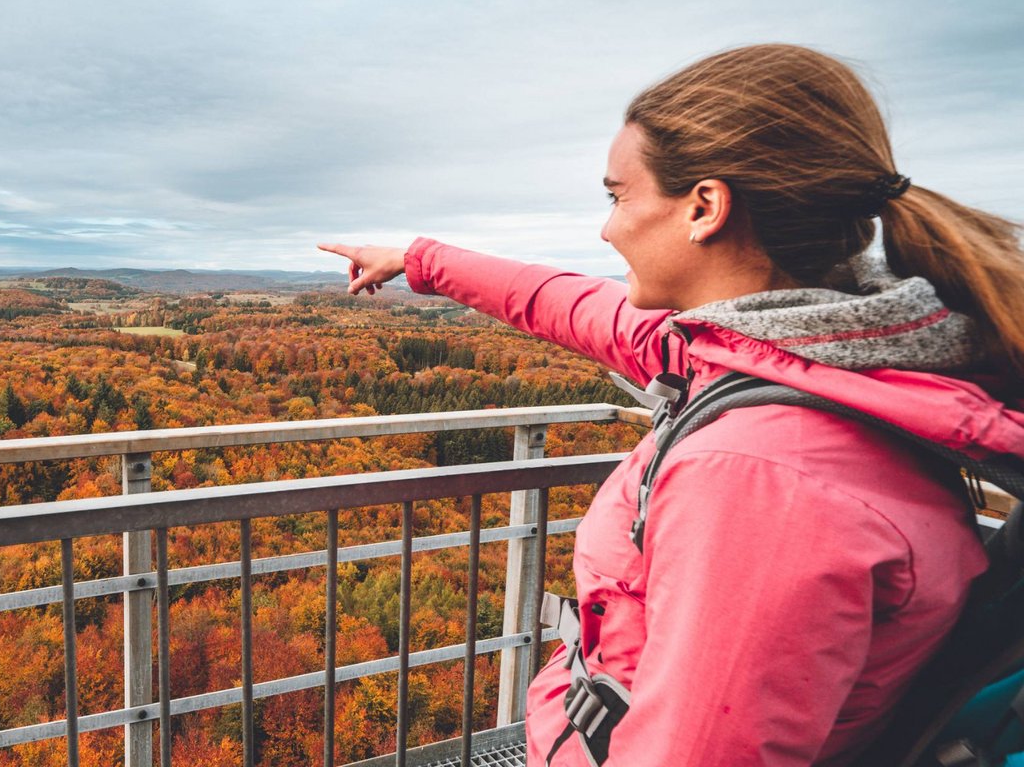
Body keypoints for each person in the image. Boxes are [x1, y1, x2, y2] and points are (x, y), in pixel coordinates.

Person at [320, 43, 1024, 766]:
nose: (607, 228)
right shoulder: (816, 355)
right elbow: (574, 305)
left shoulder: (759, 476)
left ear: (704, 207)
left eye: (617, 196)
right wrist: (418, 259)